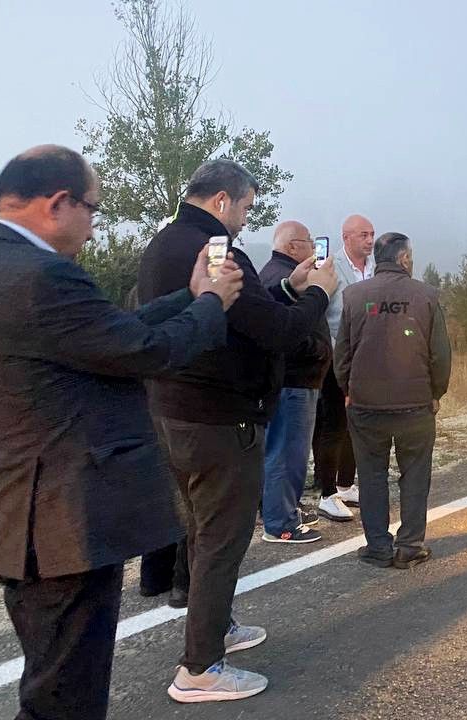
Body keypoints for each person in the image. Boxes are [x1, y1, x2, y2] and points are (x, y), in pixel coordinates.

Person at [0, 145, 243, 720]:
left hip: (18, 511)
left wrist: (189, 296)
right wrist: (213, 307)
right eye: (93, 211)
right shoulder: (41, 276)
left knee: (52, 681)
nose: (95, 228)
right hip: (63, 519)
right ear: (58, 203)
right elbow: (144, 351)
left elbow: (106, 334)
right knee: (66, 697)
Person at [137, 159, 338, 703]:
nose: (244, 221)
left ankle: (217, 627)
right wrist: (319, 292)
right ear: (223, 200)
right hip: (218, 417)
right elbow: (275, 334)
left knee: (203, 530)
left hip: (170, 411)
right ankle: (199, 669)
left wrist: (292, 288)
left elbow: (244, 313)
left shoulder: (163, 244)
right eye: (246, 208)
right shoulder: (214, 249)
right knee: (223, 538)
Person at [336, 232, 451, 568]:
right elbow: (440, 355)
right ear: (403, 258)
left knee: (371, 476)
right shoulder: (427, 295)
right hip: (415, 406)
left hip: (366, 406)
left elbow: (342, 354)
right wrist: (435, 393)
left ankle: (378, 547)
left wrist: (347, 390)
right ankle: (410, 546)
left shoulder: (354, 296)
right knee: (415, 474)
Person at [258, 221, 332, 544]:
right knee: (287, 451)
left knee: (288, 450)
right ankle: (281, 524)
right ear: (292, 247)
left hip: (297, 380)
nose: (315, 250)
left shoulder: (281, 274)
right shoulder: (280, 277)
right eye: (309, 243)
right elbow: (282, 331)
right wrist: (317, 350)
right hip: (294, 380)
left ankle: (284, 507)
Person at [313, 214, 375, 521]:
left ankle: (346, 483)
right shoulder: (330, 268)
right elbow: (321, 314)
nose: (369, 240)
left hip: (367, 359)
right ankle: (326, 493)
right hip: (337, 357)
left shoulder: (374, 269)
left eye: (372, 234)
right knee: (334, 424)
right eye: (363, 234)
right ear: (346, 237)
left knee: (355, 425)